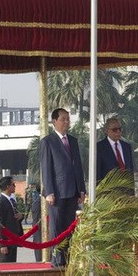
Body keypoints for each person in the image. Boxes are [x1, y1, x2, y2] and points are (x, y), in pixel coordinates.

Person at [39, 108, 86, 267]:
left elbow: (78, 166)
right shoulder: (48, 141)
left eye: (68, 119)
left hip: (72, 191)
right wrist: (49, 192)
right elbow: (46, 169)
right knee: (57, 228)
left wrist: (81, 189)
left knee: (69, 227)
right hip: (57, 193)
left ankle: (68, 258)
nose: (67, 122)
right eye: (63, 119)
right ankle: (57, 260)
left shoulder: (73, 140)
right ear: (55, 122)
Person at [96, 117, 135, 184]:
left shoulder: (126, 147)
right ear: (106, 131)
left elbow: (130, 170)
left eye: (120, 129)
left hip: (126, 189)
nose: (118, 131)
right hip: (108, 189)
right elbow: (97, 172)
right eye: (114, 129)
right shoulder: (99, 147)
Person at [0, 176, 25, 263]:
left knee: (13, 265)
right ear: (7, 187)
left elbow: (14, 217)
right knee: (6, 266)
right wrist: (2, 244)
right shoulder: (0, 201)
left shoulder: (11, 200)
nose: (15, 186)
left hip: (13, 239)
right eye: (13, 184)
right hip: (6, 241)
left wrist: (21, 216)